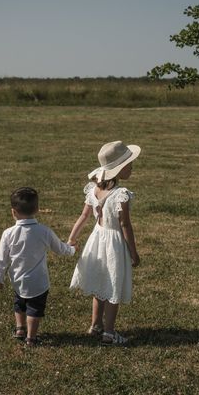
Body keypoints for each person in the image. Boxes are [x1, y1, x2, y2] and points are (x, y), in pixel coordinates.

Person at [68, 141, 141, 345]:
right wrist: (133, 252)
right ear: (120, 169)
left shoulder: (93, 190)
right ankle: (109, 333)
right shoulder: (120, 195)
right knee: (112, 286)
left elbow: (83, 216)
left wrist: (72, 237)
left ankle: (95, 325)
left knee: (100, 283)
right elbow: (125, 225)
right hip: (114, 243)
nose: (132, 167)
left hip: (97, 239)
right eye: (130, 164)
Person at [0, 187, 76, 347]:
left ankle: (20, 329)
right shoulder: (44, 231)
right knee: (34, 309)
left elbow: (0, 258)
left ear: (13, 212)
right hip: (39, 282)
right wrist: (72, 249)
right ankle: (31, 338)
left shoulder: (8, 233)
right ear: (37, 210)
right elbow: (60, 249)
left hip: (17, 280)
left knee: (19, 303)